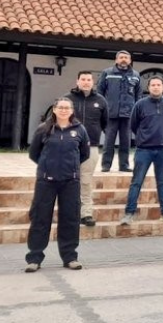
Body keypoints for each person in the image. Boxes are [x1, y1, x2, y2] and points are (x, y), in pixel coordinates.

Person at [25, 97, 90, 272]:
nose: (63, 110)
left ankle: (70, 257)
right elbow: (34, 154)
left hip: (71, 181)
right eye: (60, 107)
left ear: (72, 110)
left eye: (66, 108)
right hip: (46, 181)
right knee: (40, 219)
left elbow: (84, 154)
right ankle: (34, 258)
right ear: (54, 109)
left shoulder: (80, 130)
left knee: (70, 219)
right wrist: (48, 166)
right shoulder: (43, 129)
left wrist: (70, 168)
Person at [120, 77, 163, 226]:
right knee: (136, 182)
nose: (156, 87)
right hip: (144, 149)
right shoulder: (140, 104)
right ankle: (129, 213)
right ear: (149, 87)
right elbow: (133, 124)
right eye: (153, 85)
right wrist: (143, 137)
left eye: (158, 85)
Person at [65, 71, 109, 227]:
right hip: (69, 147)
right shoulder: (67, 99)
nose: (86, 82)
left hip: (91, 147)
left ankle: (86, 214)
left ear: (93, 82)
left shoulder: (101, 100)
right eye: (83, 79)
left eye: (88, 79)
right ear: (77, 81)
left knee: (86, 181)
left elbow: (105, 123)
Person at [98, 50, 141, 172]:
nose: (124, 59)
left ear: (130, 60)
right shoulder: (107, 73)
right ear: (116, 60)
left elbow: (138, 95)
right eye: (121, 57)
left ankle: (124, 165)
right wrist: (102, 109)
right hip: (111, 113)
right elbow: (100, 92)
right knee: (109, 141)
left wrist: (136, 111)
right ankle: (106, 165)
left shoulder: (135, 75)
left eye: (126, 58)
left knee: (126, 141)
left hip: (128, 114)